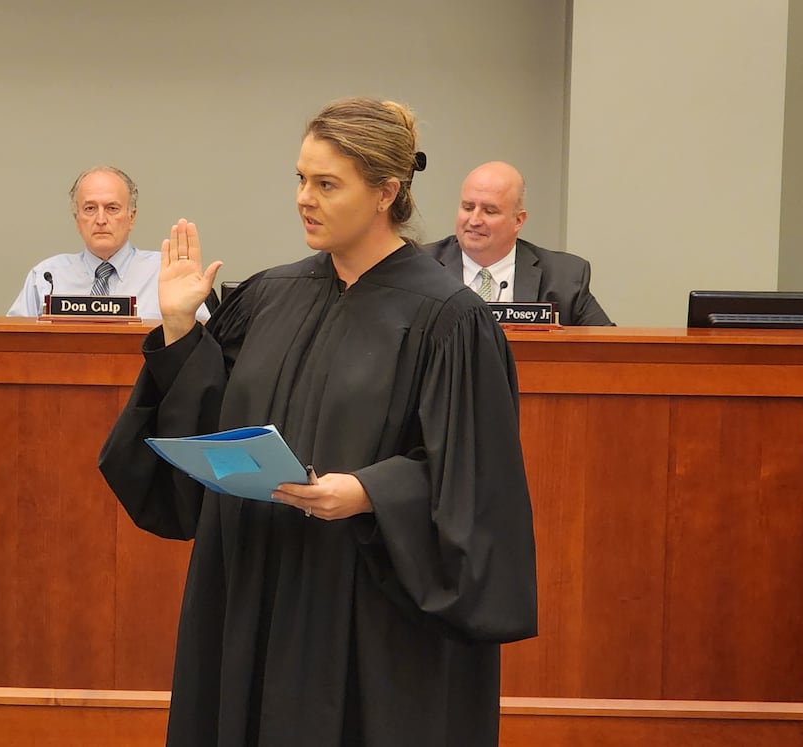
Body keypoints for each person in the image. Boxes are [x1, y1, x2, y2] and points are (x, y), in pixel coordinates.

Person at [99, 98, 538, 746]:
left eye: (326, 184)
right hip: (256, 584)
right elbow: (206, 432)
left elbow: (476, 484)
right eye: (301, 179)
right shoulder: (269, 295)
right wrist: (177, 330)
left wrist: (366, 493)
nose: (304, 198)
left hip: (366, 605)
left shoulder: (449, 320)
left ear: (386, 191)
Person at [6, 166, 210, 321]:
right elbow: (10, 346)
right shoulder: (46, 277)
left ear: (132, 217)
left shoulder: (164, 273)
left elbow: (202, 348)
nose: (101, 219)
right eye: (90, 209)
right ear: (77, 220)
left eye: (112, 208)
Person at [423, 161, 614, 325]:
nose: (474, 220)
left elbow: (610, 351)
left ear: (518, 221)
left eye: (489, 211)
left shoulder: (563, 277)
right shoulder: (421, 267)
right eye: (468, 207)